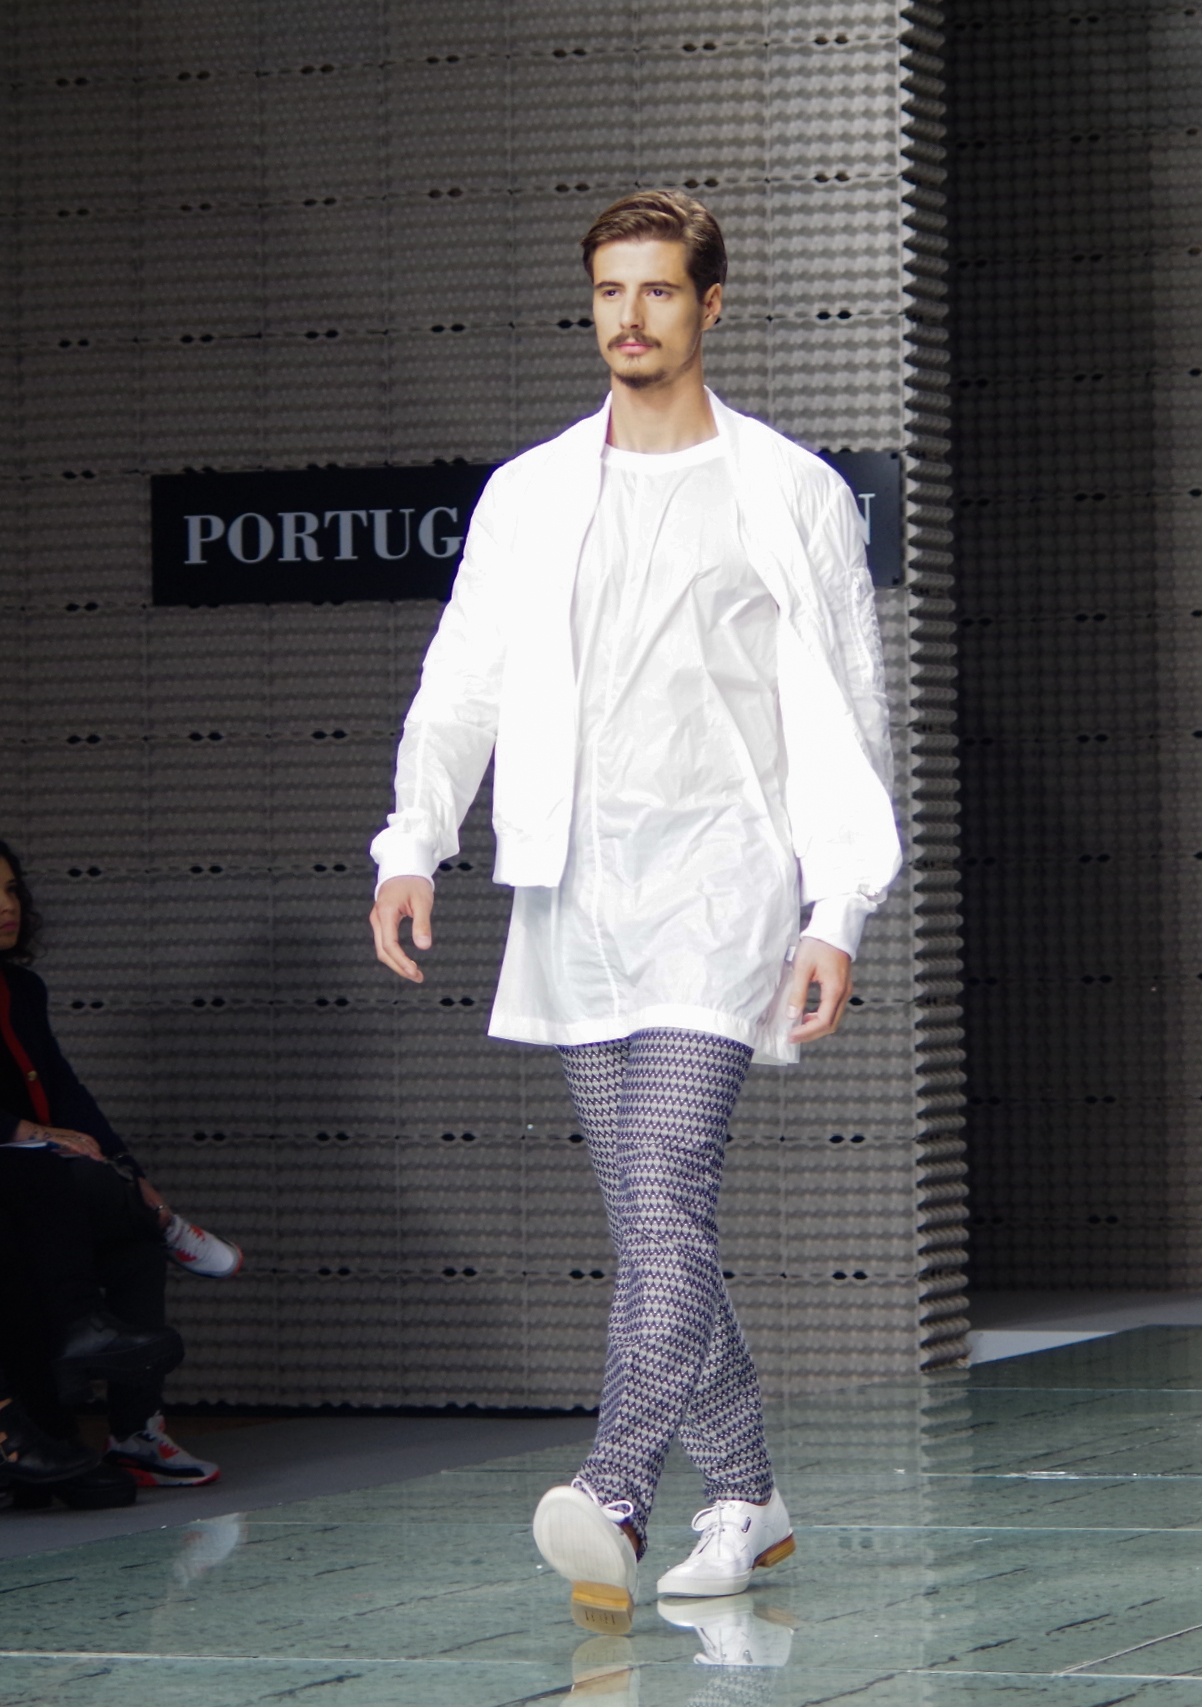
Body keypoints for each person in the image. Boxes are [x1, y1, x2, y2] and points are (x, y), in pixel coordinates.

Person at [369, 191, 900, 1621]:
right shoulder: (532, 491)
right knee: (658, 1223)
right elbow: (462, 680)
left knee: (666, 1186)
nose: (629, 316)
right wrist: (413, 841)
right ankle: (747, 1495)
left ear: (708, 304)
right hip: (573, 893)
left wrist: (836, 908)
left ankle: (613, 1486)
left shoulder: (788, 489)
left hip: (726, 886)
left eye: (658, 290)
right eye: (610, 290)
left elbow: (847, 712)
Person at [0, 839, 242, 1489]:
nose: (7, 906)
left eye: (12, 890)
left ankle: (136, 1431)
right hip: (21, 1177)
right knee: (63, 1173)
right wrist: (31, 1131)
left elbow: (65, 1089)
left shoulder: (21, 988)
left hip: (36, 1180)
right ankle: (149, 1243)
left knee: (132, 1238)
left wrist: (132, 1171)